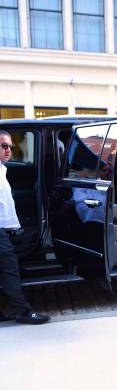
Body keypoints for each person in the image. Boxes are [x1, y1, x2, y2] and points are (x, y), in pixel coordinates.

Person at [0, 130, 50, 325]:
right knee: (9, 269)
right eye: (3, 146)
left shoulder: (2, 169)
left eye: (10, 147)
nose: (8, 151)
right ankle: (22, 311)